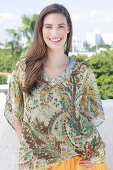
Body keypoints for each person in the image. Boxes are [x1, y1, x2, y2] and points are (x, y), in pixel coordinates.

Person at [4, 3, 109, 170]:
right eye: (48, 27)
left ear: (68, 28)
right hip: (38, 162)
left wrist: (95, 150)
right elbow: (16, 115)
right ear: (41, 30)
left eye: (60, 26)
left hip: (81, 160)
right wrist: (32, 151)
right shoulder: (24, 69)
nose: (54, 33)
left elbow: (89, 118)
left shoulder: (82, 71)